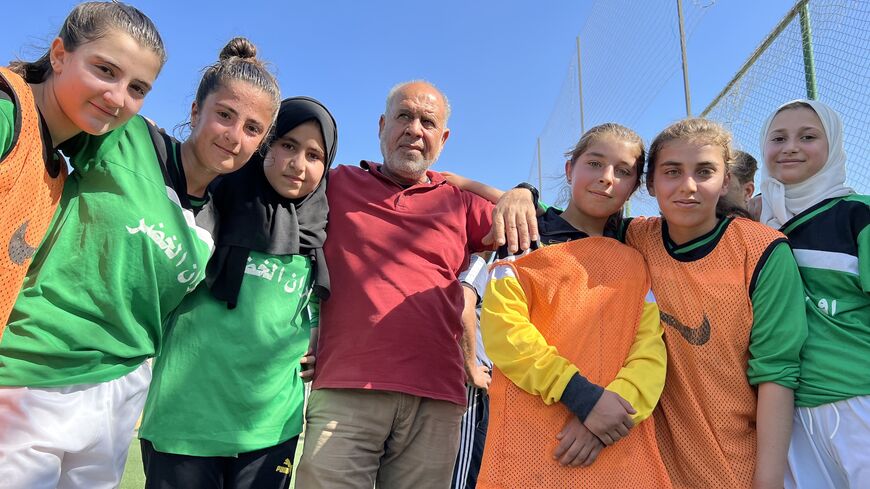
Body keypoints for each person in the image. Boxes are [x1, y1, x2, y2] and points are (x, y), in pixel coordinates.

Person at [0, 37, 279, 489]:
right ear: (195, 111)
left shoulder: (216, 226)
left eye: (252, 128)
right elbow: (41, 118)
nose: (233, 135)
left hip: (120, 394)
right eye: (224, 115)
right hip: (34, 372)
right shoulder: (128, 137)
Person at [294, 80, 538, 489]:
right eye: (404, 116)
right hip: (345, 391)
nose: (414, 128)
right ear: (381, 125)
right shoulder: (336, 184)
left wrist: (519, 192)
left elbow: (543, 225)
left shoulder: (458, 202)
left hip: (436, 399)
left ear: (442, 139)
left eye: (428, 122)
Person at [451, 123, 670, 488]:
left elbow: (650, 348)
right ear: (570, 169)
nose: (606, 178)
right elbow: (505, 333)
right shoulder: (525, 236)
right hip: (529, 438)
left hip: (614, 440)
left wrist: (614, 413)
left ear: (635, 186)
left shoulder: (635, 257)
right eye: (595, 163)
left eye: (623, 171)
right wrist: (582, 398)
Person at [137, 96, 336, 489]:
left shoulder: (318, 236)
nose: (299, 164)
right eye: (287, 145)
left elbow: (316, 312)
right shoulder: (211, 202)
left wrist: (318, 339)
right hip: (185, 424)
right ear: (264, 144)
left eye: (315, 155)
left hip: (269, 432)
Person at [622, 118, 807, 488]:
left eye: (704, 171)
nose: (688, 186)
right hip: (649, 464)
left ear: (725, 181)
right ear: (650, 183)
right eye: (672, 171)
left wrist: (767, 480)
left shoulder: (761, 250)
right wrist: (524, 193)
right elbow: (567, 219)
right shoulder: (634, 237)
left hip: (734, 464)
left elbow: (776, 372)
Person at [0, 1, 165, 336]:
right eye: (105, 70)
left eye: (137, 88)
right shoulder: (7, 116)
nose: (117, 98)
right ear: (59, 55)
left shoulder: (56, 171)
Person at [757, 99, 869, 489]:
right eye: (778, 138)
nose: (790, 147)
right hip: (787, 412)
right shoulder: (757, 227)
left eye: (808, 137)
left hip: (858, 398)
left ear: (835, 144)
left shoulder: (859, 214)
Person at [452, 252, 494, 489]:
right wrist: (471, 368)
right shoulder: (478, 263)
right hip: (471, 389)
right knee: (464, 476)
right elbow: (462, 304)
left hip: (477, 386)